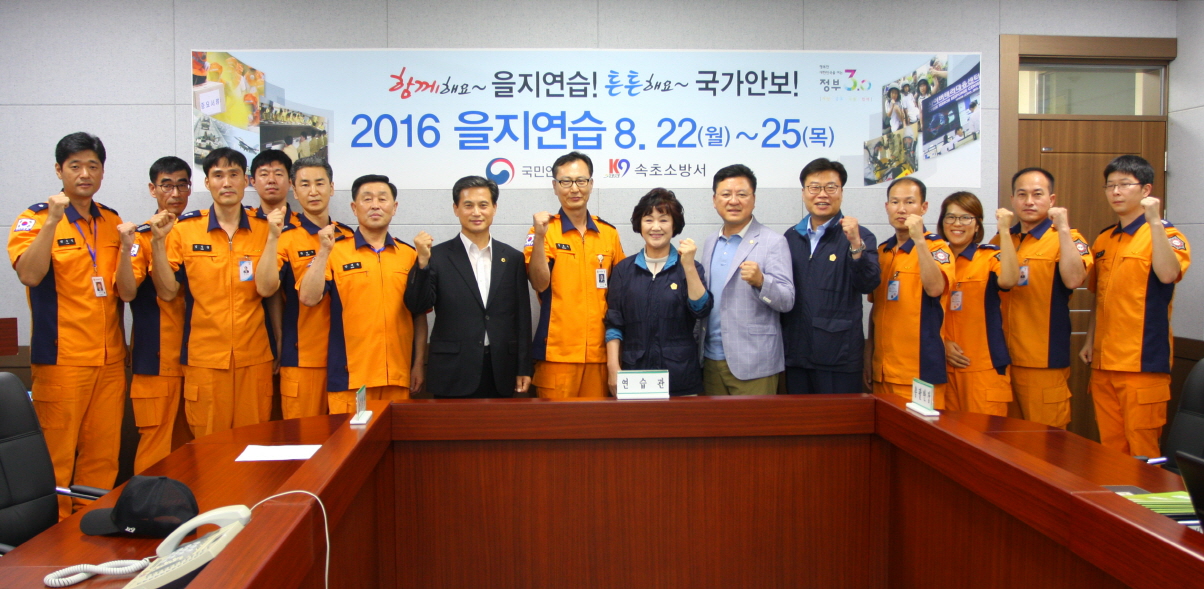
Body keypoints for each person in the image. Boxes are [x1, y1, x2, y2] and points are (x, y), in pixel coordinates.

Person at [8, 132, 126, 520]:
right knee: (56, 457)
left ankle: (92, 525)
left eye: (93, 165)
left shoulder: (111, 221)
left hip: (110, 360)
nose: (85, 173)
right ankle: (53, 534)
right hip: (62, 359)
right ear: (59, 171)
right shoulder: (36, 218)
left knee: (103, 455)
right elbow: (29, 275)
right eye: (75, 166)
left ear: (103, 172)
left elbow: (122, 288)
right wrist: (52, 223)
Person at [149, 147, 274, 438]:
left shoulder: (265, 229)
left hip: (254, 357)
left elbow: (269, 290)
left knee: (254, 445)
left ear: (246, 180)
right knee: (209, 447)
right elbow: (167, 292)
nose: (226, 182)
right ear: (207, 182)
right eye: (218, 175)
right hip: (204, 358)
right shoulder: (184, 230)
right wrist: (157, 243)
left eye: (234, 174)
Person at [1080, 155, 1191, 457]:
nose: (1116, 191)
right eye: (1110, 185)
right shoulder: (1104, 238)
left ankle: (1148, 494)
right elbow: (1099, 297)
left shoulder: (1167, 234)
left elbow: (1168, 274)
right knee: (1111, 451)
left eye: (1124, 184)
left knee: (1143, 451)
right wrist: (1090, 340)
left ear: (1146, 190)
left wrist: (1154, 221)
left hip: (1142, 363)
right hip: (1104, 363)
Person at [297, 174, 427, 412]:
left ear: (394, 207)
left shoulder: (409, 255)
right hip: (350, 378)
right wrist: (323, 252)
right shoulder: (335, 251)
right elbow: (308, 298)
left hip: (397, 377)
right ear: (354, 208)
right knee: (350, 437)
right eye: (367, 199)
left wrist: (418, 363)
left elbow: (419, 315)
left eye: (382, 199)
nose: (375, 205)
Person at [405, 175, 532, 399]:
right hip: (453, 370)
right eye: (468, 205)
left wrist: (524, 367)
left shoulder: (512, 258)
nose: (476, 212)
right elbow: (417, 305)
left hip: (501, 369)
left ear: (494, 208)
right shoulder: (437, 256)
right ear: (456, 209)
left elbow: (522, 317)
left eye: (483, 205)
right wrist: (422, 264)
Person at [992, 168, 1093, 429]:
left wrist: (1063, 228)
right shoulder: (1002, 239)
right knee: (1004, 440)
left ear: (1052, 199)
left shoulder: (1067, 238)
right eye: (1022, 194)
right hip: (1001, 360)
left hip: (1042, 361)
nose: (1029, 201)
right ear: (1012, 199)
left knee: (1046, 442)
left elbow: (1075, 279)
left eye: (1037, 194)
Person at [254, 156, 354, 418]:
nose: (313, 191)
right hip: (302, 359)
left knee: (346, 436)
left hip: (347, 359)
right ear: (294, 190)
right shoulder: (285, 237)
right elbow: (265, 288)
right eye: (305, 184)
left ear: (332, 188)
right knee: (303, 437)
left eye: (320, 183)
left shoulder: (349, 237)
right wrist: (272, 238)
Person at [114, 156, 192, 473]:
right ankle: (148, 507)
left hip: (198, 358)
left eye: (182, 185)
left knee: (193, 449)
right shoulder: (140, 237)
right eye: (166, 185)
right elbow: (126, 291)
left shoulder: (197, 234)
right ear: (153, 189)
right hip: (156, 361)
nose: (175, 193)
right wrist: (125, 248)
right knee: (155, 450)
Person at [525, 152, 626, 398]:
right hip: (556, 354)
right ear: (555, 186)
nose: (574, 188)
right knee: (554, 423)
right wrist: (539, 237)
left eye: (581, 181)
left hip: (600, 355)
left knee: (597, 422)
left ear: (591, 184)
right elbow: (538, 283)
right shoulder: (543, 231)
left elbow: (621, 295)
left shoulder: (608, 233)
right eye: (565, 181)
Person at [782, 158, 879, 395]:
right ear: (804, 193)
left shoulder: (860, 236)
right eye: (814, 187)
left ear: (841, 192)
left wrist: (855, 244)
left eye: (831, 187)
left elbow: (868, 283)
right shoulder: (791, 236)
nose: (822, 194)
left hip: (839, 356)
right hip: (796, 354)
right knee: (796, 417)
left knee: (839, 418)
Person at [604, 189, 711, 396]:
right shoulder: (624, 270)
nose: (656, 227)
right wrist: (612, 367)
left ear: (674, 225)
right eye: (648, 220)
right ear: (639, 224)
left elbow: (701, 309)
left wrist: (688, 265)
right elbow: (614, 324)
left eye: (663, 220)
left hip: (680, 376)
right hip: (635, 375)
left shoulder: (690, 267)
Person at [701, 164, 794, 395]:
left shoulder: (773, 241)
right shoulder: (710, 242)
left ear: (753, 199)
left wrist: (762, 282)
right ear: (714, 200)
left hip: (755, 362)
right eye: (726, 194)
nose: (733, 201)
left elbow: (787, 300)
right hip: (710, 359)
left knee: (755, 421)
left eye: (742, 194)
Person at [866, 177, 956, 408]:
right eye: (895, 202)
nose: (901, 209)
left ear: (923, 207)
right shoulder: (883, 251)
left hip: (919, 372)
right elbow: (876, 308)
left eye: (909, 202)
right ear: (887, 206)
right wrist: (868, 355)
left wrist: (919, 240)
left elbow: (935, 288)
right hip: (882, 371)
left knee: (920, 431)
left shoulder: (937, 247)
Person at [937, 192, 1020, 416]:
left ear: (977, 225)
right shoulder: (933, 260)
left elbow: (1010, 280)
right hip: (942, 366)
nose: (957, 224)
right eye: (950, 217)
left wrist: (1004, 231)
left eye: (966, 218)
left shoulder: (989, 257)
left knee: (984, 435)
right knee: (945, 433)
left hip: (984, 368)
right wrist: (942, 343)